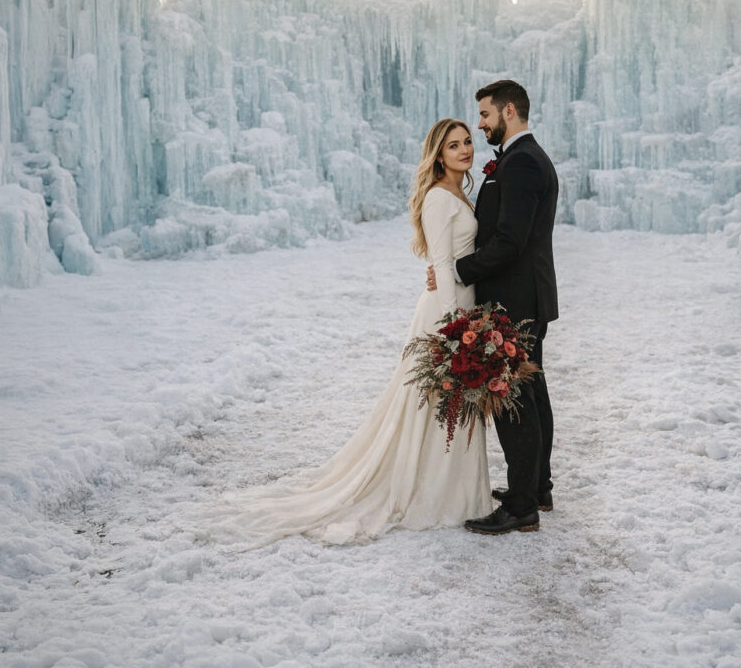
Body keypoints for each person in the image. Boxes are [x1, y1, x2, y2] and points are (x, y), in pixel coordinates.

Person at [212, 119, 491, 548]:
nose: (464, 150)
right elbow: (439, 264)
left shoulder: (459, 193)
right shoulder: (438, 198)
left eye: (467, 142)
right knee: (434, 407)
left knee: (452, 406)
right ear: (438, 155)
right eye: (453, 145)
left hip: (462, 310)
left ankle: (458, 492)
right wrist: (453, 330)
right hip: (445, 316)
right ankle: (435, 496)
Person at [428, 79, 558, 536]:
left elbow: (509, 241)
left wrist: (459, 270)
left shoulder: (521, 163)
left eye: (484, 115)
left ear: (507, 111)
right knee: (532, 393)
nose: (480, 123)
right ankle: (536, 486)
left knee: (515, 401)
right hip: (525, 296)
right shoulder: (522, 158)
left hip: (514, 301)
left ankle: (522, 505)